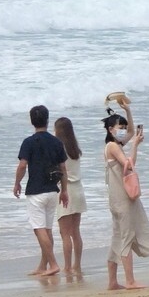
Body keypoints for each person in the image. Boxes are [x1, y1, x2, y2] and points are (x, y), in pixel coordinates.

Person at [102, 96, 149, 290]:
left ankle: (112, 281)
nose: (124, 131)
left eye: (123, 127)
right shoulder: (112, 146)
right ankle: (129, 280)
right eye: (120, 127)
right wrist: (135, 146)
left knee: (118, 238)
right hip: (121, 199)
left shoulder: (115, 145)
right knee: (125, 236)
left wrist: (127, 111)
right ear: (110, 130)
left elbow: (133, 132)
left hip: (117, 199)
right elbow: (129, 165)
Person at [13, 104, 68, 277]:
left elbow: (22, 165)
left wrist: (17, 183)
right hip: (53, 190)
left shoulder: (29, 142)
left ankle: (52, 264)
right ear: (47, 119)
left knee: (39, 229)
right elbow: (63, 169)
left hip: (36, 191)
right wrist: (64, 190)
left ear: (32, 121)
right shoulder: (56, 141)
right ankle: (43, 266)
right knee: (47, 229)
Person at [53, 116, 86, 275]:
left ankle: (67, 267)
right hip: (78, 189)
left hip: (66, 190)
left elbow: (59, 172)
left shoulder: (60, 150)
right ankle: (77, 265)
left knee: (64, 233)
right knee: (75, 231)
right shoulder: (75, 149)